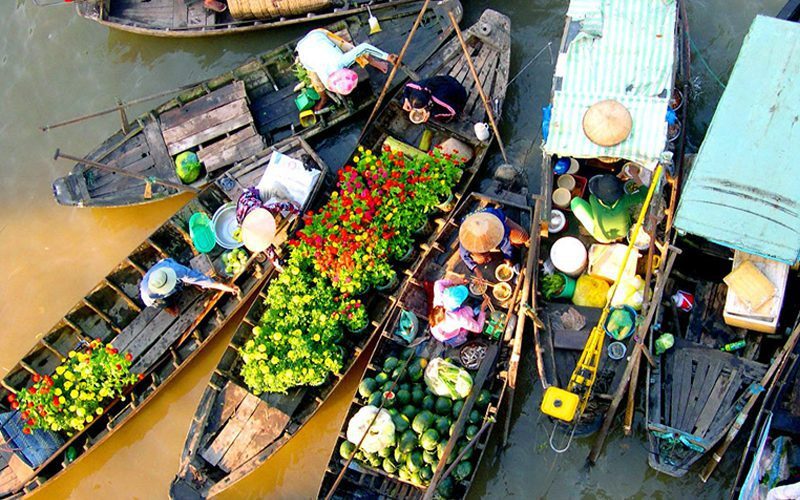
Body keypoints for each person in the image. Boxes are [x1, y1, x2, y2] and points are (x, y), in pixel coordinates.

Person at [296, 29, 398, 109]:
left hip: (318, 36)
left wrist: (387, 56)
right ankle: (324, 98)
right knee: (317, 83)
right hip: (305, 52)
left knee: (352, 49)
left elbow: (364, 47)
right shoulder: (326, 80)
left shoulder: (342, 61)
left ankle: (375, 63)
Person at [140, 259, 238, 315]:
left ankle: (190, 282)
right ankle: (170, 306)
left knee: (191, 277)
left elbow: (203, 280)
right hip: (159, 296)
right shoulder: (148, 295)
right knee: (166, 304)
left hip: (170, 269)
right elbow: (151, 303)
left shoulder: (177, 270)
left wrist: (227, 288)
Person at [570, 174, 647, 243]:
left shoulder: (592, 199)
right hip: (624, 233)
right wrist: (635, 174)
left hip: (602, 238)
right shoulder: (625, 200)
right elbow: (645, 193)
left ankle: (594, 232)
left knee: (575, 202)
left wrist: (613, 181)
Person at [458, 208, 529, 279]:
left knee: (522, 236)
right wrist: (476, 270)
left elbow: (505, 243)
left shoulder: (495, 227)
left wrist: (508, 258)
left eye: (487, 256)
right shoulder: (466, 238)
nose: (488, 260)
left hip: (496, 217)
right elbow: (464, 256)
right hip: (472, 223)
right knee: (480, 259)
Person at [428, 279, 489, 346]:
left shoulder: (440, 298)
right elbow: (478, 328)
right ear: (458, 305)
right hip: (449, 336)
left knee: (469, 311)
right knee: (474, 311)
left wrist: (454, 281)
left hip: (435, 328)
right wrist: (482, 309)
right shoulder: (459, 318)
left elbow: (438, 283)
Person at [402, 76, 467, 124]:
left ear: (427, 102)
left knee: (440, 119)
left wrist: (431, 113)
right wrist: (406, 99)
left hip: (459, 93)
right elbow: (407, 86)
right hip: (447, 79)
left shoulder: (438, 99)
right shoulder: (419, 87)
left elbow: (453, 111)